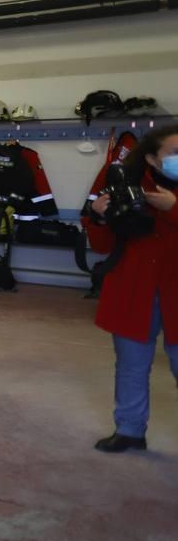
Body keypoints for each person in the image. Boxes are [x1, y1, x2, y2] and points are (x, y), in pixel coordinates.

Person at [85, 123, 178, 453]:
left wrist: (174, 209)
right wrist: (97, 217)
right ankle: (129, 430)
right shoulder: (124, 183)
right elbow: (101, 244)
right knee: (131, 365)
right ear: (152, 159)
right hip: (134, 286)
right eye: (174, 153)